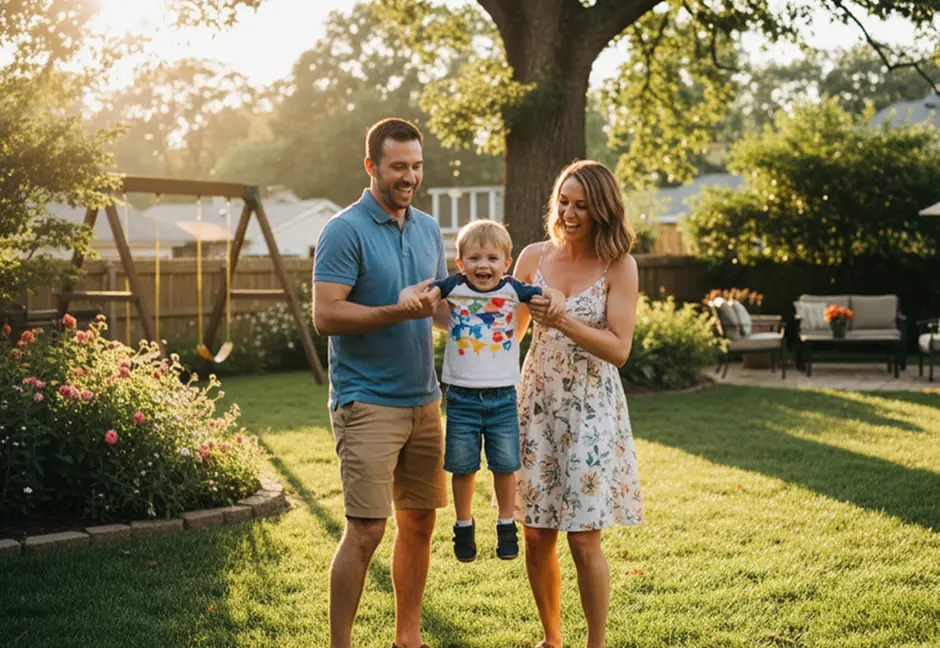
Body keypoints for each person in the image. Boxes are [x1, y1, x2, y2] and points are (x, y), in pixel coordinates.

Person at [313, 117, 449, 648]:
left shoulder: (428, 228)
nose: (409, 177)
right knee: (367, 529)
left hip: (424, 400)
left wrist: (492, 312)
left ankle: (407, 639)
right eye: (397, 167)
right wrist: (396, 310)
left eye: (416, 166)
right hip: (367, 401)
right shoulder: (343, 230)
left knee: (419, 522)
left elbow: (437, 309)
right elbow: (327, 315)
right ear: (371, 166)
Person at [512, 160, 643, 648]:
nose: (568, 213)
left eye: (581, 206)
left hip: (590, 412)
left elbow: (619, 349)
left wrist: (563, 320)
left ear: (603, 210)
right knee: (536, 532)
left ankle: (595, 644)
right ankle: (552, 640)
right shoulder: (532, 257)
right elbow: (508, 335)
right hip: (537, 408)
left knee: (584, 537)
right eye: (563, 202)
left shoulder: (620, 266)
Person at [399, 220, 565, 563]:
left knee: (505, 465)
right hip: (462, 397)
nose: (483, 265)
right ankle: (464, 524)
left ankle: (506, 523)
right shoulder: (454, 286)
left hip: (503, 397)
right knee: (463, 466)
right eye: (474, 258)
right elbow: (422, 291)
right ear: (460, 263)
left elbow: (547, 293)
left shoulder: (514, 289)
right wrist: (407, 295)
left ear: (506, 263)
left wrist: (557, 296)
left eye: (492, 258)